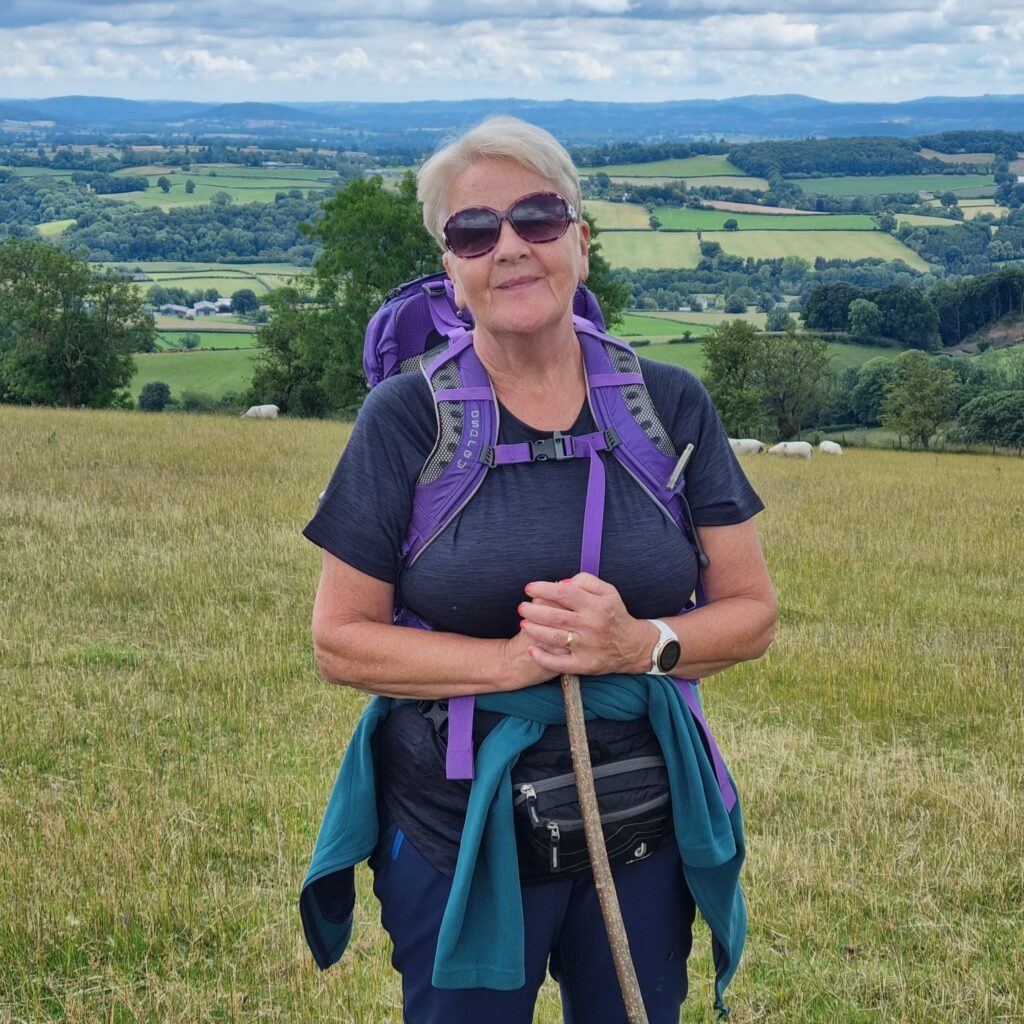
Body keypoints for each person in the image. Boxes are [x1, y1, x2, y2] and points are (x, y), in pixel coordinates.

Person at [300, 116, 777, 1024]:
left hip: (642, 826)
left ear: (580, 243)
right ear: (452, 267)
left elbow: (750, 614)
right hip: (457, 832)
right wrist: (519, 663)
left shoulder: (669, 404)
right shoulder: (406, 420)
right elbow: (340, 641)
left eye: (538, 219)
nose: (509, 248)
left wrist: (641, 643)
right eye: (475, 232)